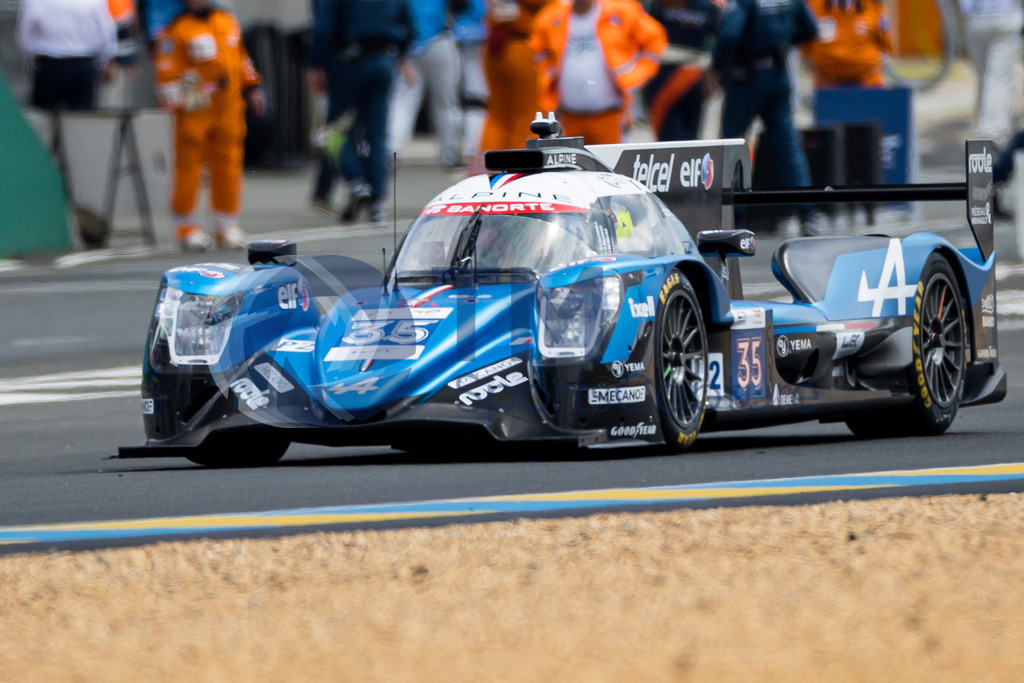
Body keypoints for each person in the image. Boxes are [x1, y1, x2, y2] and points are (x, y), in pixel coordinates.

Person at [154, 0, 268, 250]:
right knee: (189, 168)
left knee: (229, 165)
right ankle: (186, 228)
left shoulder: (226, 21)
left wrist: (253, 86)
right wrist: (178, 98)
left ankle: (226, 226)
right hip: (196, 109)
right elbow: (166, 72)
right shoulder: (176, 30)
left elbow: (241, 58)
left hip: (228, 108)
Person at [711, 0, 819, 235]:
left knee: (733, 146)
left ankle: (735, 215)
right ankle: (806, 214)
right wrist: (780, 44)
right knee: (788, 147)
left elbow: (729, 35)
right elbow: (810, 29)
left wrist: (719, 67)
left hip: (745, 79)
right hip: (777, 75)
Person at [309, 0, 416, 224]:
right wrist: (400, 54)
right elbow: (409, 24)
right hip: (383, 60)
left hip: (350, 61)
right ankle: (377, 199)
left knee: (334, 132)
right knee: (377, 135)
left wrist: (317, 63)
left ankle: (357, 181)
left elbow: (324, 27)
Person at [531, 0, 667, 145]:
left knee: (610, 158)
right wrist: (550, 76)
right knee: (571, 158)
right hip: (568, 116)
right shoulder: (551, 17)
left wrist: (635, 75)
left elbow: (654, 40)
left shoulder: (622, 12)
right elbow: (538, 49)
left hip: (610, 115)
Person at [477, 0, 555, 165]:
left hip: (495, 45)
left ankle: (487, 165)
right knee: (529, 113)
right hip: (520, 43)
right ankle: (522, 165)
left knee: (498, 115)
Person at [389, 0, 464, 170]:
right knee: (444, 102)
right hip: (438, 38)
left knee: (404, 101)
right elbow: (461, 6)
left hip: (410, 43)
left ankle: (392, 151)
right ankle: (450, 154)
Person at [643, 0, 723, 142]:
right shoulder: (660, 4)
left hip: (678, 74)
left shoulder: (660, 4)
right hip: (685, 73)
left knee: (672, 137)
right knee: (685, 136)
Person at [16, 0, 117, 111]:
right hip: (82, 64)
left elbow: (26, 31)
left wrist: (31, 60)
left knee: (43, 115)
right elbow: (105, 32)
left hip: (49, 64)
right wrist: (102, 61)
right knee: (81, 116)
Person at [961, 0, 1024, 146]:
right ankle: (991, 131)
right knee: (998, 79)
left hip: (975, 17)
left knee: (984, 77)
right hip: (1006, 15)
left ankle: (983, 125)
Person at [802, 0, 893, 89]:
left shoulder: (873, 5)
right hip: (826, 81)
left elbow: (886, 44)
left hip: (867, 81)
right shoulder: (812, 5)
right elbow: (804, 43)